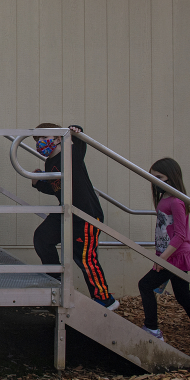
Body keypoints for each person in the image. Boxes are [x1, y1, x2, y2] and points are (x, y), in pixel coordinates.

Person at [139, 158, 190, 357]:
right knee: (183, 296)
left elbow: (180, 235)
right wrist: (159, 255)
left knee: (145, 285)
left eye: (158, 177)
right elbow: (164, 231)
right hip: (168, 255)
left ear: (171, 177)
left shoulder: (176, 201)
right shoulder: (164, 199)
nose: (154, 180)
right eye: (152, 176)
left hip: (176, 256)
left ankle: (152, 328)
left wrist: (163, 258)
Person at [31, 124, 118, 310]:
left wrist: (75, 131)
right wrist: (38, 183)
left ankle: (105, 299)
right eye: (37, 140)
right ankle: (55, 279)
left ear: (57, 139)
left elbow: (79, 144)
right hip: (66, 211)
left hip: (86, 214)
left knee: (85, 257)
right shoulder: (49, 162)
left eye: (43, 138)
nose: (39, 142)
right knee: (42, 238)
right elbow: (56, 188)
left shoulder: (71, 154)